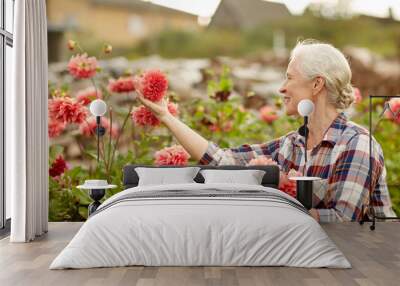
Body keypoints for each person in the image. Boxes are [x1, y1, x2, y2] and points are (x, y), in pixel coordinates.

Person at [135, 39, 396, 223]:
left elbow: (343, 224)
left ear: (317, 84)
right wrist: (165, 115)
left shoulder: (358, 145)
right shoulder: (290, 146)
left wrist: (276, 196)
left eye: (289, 78)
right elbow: (222, 160)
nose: (281, 88)